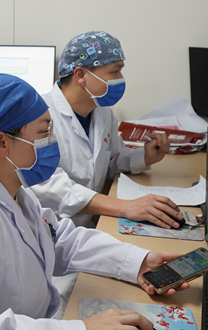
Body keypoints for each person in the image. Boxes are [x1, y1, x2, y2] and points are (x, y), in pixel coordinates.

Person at [0, 73, 190, 330]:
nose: (52, 143)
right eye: (43, 134)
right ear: (2, 143)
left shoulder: (14, 191)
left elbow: (59, 240)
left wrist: (137, 261)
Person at [30, 31, 180, 230]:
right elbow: (54, 189)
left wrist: (144, 157)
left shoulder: (102, 113)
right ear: (80, 75)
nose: (121, 78)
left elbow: (110, 160)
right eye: (115, 71)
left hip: (85, 226)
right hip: (49, 231)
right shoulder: (38, 118)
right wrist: (126, 207)